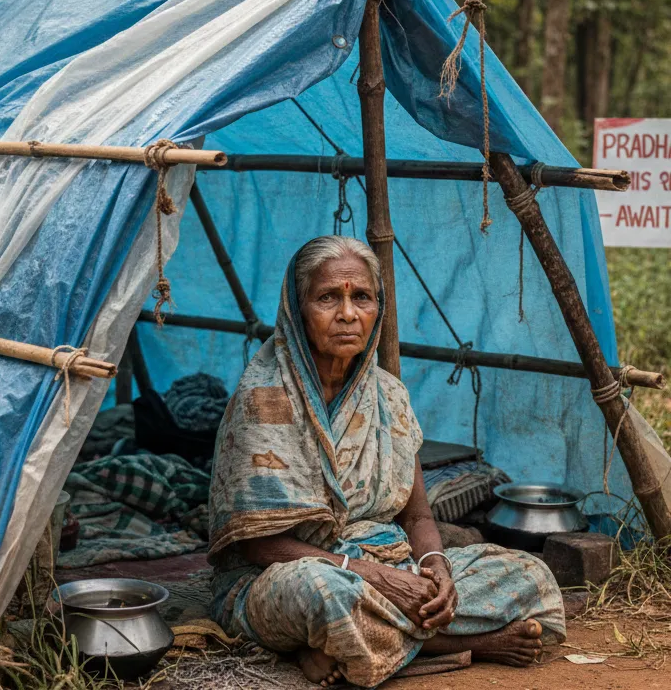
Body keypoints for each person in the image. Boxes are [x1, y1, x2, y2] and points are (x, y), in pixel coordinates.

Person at [207, 236, 565, 687]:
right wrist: (372, 577)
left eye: (362, 297)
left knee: (528, 574)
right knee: (325, 597)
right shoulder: (262, 398)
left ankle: (346, 647)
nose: (347, 314)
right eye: (326, 298)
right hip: (286, 575)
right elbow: (259, 546)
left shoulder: (390, 397)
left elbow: (416, 515)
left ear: (378, 306)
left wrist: (437, 566)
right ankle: (463, 646)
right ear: (297, 309)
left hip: (388, 562)